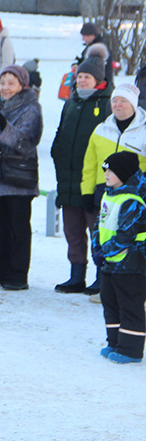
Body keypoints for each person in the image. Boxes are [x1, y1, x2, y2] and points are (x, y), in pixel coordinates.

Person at [0, 65, 43, 291]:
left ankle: (19, 274)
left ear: (22, 85)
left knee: (18, 227)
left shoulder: (31, 107)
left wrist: (7, 129)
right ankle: (0, 269)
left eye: (11, 83)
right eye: (3, 83)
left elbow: (28, 140)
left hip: (16, 178)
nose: (5, 88)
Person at [51, 49, 113, 294]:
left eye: (87, 77)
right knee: (72, 231)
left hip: (95, 181)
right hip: (68, 178)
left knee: (97, 230)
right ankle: (76, 275)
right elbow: (60, 136)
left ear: (98, 80)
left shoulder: (107, 104)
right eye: (79, 77)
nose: (82, 80)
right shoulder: (71, 104)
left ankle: (101, 276)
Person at [81, 83, 146, 298]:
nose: (118, 105)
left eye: (123, 101)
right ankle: (103, 282)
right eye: (115, 101)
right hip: (105, 191)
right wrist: (87, 191)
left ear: (133, 105)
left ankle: (129, 285)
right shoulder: (101, 128)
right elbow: (90, 164)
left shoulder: (144, 129)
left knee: (128, 239)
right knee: (103, 236)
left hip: (134, 195)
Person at [92, 151, 146, 364]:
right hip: (110, 263)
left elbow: (126, 235)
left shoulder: (132, 201)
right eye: (105, 169)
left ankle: (130, 349)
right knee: (110, 301)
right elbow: (99, 224)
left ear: (123, 173)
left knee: (129, 304)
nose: (106, 174)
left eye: (111, 170)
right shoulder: (109, 194)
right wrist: (97, 247)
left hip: (130, 264)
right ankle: (114, 341)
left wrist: (104, 251)